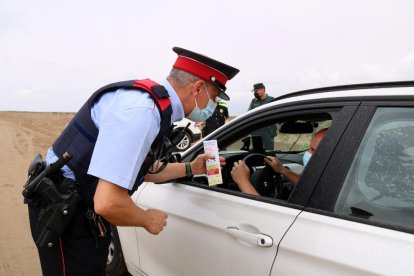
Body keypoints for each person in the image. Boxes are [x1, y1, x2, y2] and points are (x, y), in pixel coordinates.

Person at [24, 46, 239, 275]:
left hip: (78, 206)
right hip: (66, 213)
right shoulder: (142, 112)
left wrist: (192, 167)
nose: (214, 106)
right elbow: (107, 202)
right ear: (197, 88)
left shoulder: (153, 106)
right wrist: (147, 219)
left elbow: (137, 168)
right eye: (214, 97)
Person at [231, 128, 328, 196]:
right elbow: (307, 185)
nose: (307, 153)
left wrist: (242, 181)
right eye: (309, 148)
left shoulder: (329, 190)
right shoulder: (332, 179)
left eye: (313, 150)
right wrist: (282, 170)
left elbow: (266, 217)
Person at [247, 83, 276, 150]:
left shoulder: (271, 100)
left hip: (268, 131)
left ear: (262, 90)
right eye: (254, 91)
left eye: (256, 91)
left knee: (269, 152)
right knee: (257, 151)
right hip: (256, 131)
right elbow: (249, 114)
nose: (255, 93)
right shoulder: (254, 101)